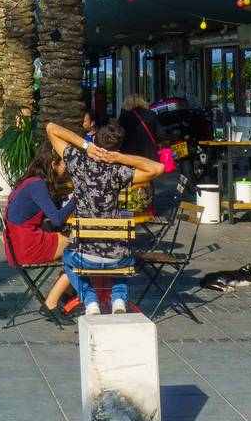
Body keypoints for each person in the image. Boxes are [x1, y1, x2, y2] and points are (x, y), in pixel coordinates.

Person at [46, 119, 164, 315]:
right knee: (124, 253)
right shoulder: (120, 171)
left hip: (83, 256)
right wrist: (120, 158)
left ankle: (90, 300)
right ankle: (118, 298)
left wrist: (86, 146)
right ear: (118, 147)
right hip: (116, 258)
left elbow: (51, 128)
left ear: (96, 139)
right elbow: (158, 168)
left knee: (68, 259)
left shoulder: (77, 162)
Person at [2, 140, 75, 312]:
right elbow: (57, 219)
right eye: (65, 163)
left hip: (19, 243)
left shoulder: (32, 182)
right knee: (84, 247)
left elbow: (50, 209)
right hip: (28, 245)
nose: (67, 168)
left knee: (76, 243)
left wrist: (67, 201)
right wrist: (77, 200)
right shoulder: (38, 185)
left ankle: (66, 290)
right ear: (53, 163)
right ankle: (53, 301)